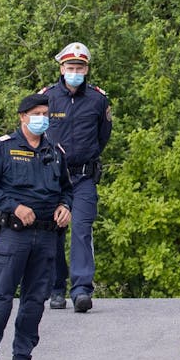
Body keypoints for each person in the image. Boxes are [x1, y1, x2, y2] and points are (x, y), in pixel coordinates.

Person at [0, 93, 71, 360]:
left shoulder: (55, 151)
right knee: (1, 299)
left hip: (47, 236)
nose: (42, 118)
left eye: (45, 113)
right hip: (14, 234)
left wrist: (66, 206)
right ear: (23, 117)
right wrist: (14, 206)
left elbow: (67, 188)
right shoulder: (3, 149)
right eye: (36, 113)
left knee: (34, 301)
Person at [40, 41, 113, 313]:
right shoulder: (47, 98)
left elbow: (103, 136)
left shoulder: (98, 99)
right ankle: (56, 288)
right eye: (70, 66)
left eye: (80, 67)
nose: (75, 71)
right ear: (61, 68)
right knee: (54, 232)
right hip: (53, 178)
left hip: (83, 177)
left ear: (87, 69)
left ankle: (81, 290)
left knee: (81, 230)